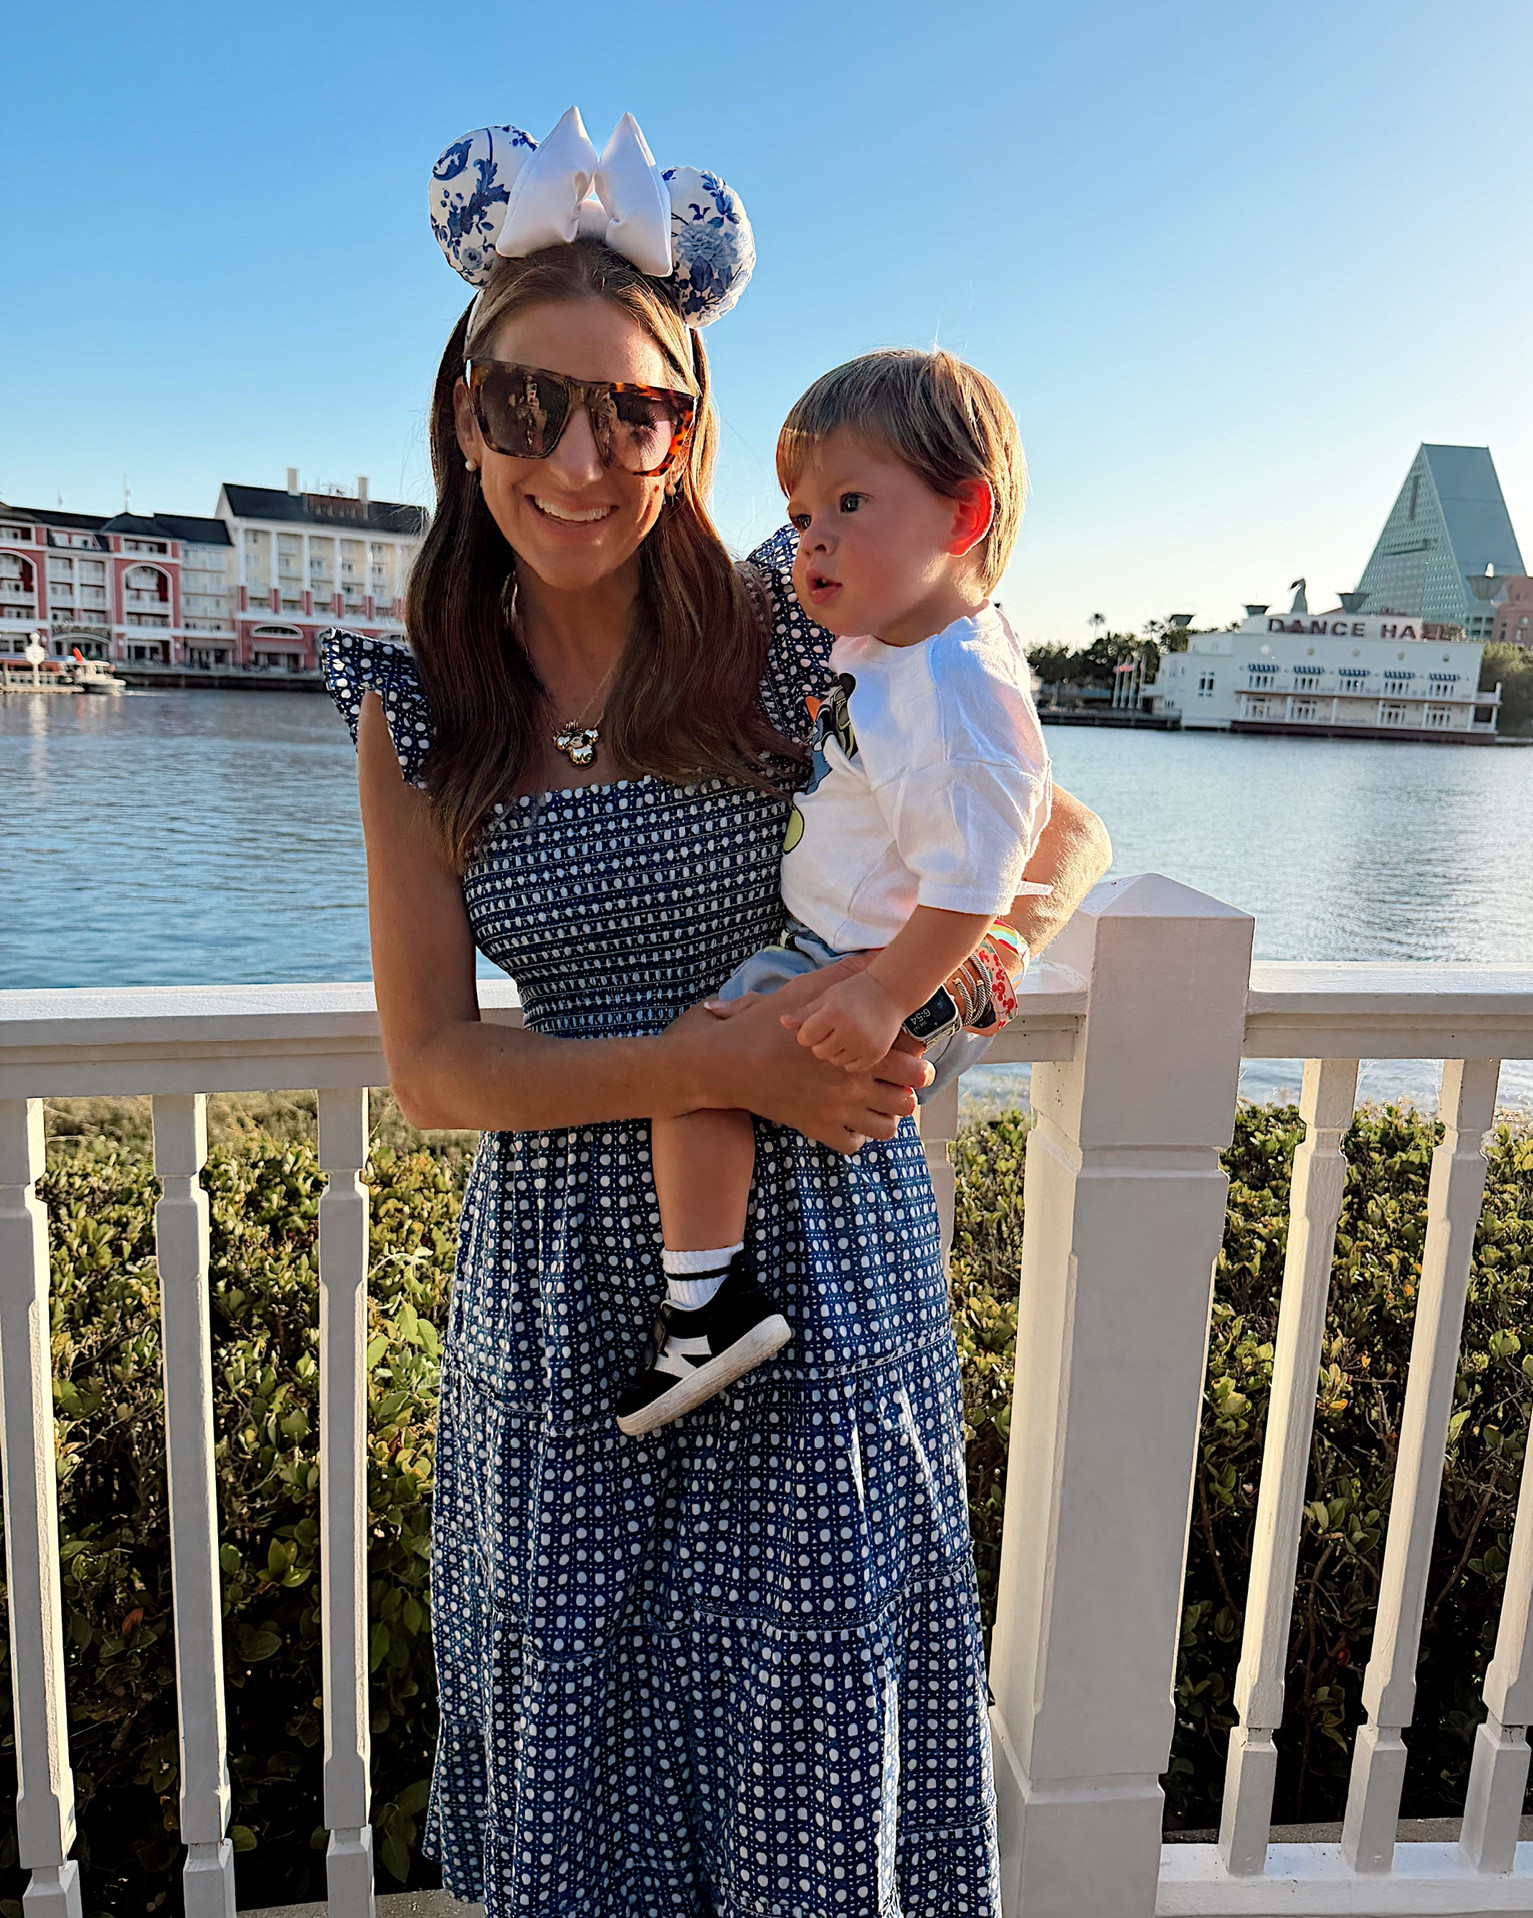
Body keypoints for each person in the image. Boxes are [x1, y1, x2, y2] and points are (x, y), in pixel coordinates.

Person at [323, 105, 1110, 1918]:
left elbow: (1050, 828)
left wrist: (926, 1001)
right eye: (527, 403)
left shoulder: (789, 619)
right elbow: (433, 1070)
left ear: (689, 432)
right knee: (588, 1755)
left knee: (815, 1749)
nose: (580, 456)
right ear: (462, 417)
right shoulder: (422, 699)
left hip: (815, 1252)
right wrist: (720, 1057)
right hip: (567, 1297)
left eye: (636, 412)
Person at [622, 348, 1053, 1437]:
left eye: (850, 504)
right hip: (860, 956)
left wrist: (881, 993)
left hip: (873, 967)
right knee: (703, 1064)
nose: (811, 538)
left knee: (693, 1065)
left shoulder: (952, 685)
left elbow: (980, 875)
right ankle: (707, 1302)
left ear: (963, 517)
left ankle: (703, 1311)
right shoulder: (900, 644)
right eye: (802, 513)